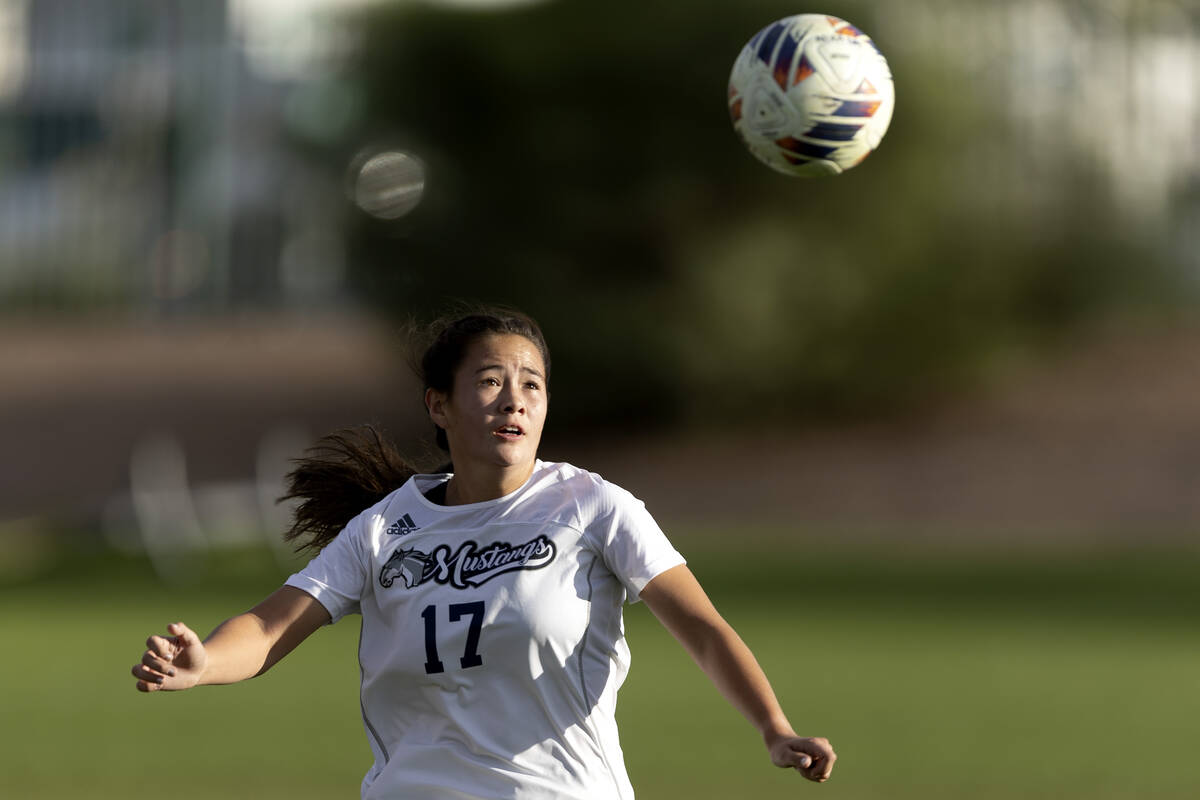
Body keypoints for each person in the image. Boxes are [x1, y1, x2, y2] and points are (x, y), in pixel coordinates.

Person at [131, 307, 836, 799]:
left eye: (531, 384)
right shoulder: (384, 529)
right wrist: (203, 666)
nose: (514, 400)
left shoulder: (592, 507)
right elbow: (271, 626)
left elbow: (706, 633)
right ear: (440, 406)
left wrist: (774, 728)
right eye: (492, 381)